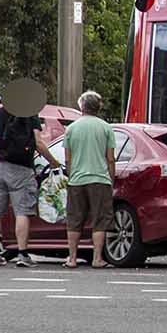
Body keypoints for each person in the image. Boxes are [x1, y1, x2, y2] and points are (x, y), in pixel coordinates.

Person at [0, 100, 62, 267]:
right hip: (21, 168)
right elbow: (39, 143)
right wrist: (54, 161)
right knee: (22, 211)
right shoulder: (30, 115)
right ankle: (22, 254)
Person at [63, 91, 116, 269]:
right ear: (98, 107)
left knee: (74, 219)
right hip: (100, 179)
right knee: (100, 219)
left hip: (76, 180)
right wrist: (111, 178)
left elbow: (68, 159)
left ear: (82, 106)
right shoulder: (106, 128)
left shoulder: (71, 129)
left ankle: (72, 258)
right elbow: (110, 158)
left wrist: (71, 175)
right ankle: (97, 258)